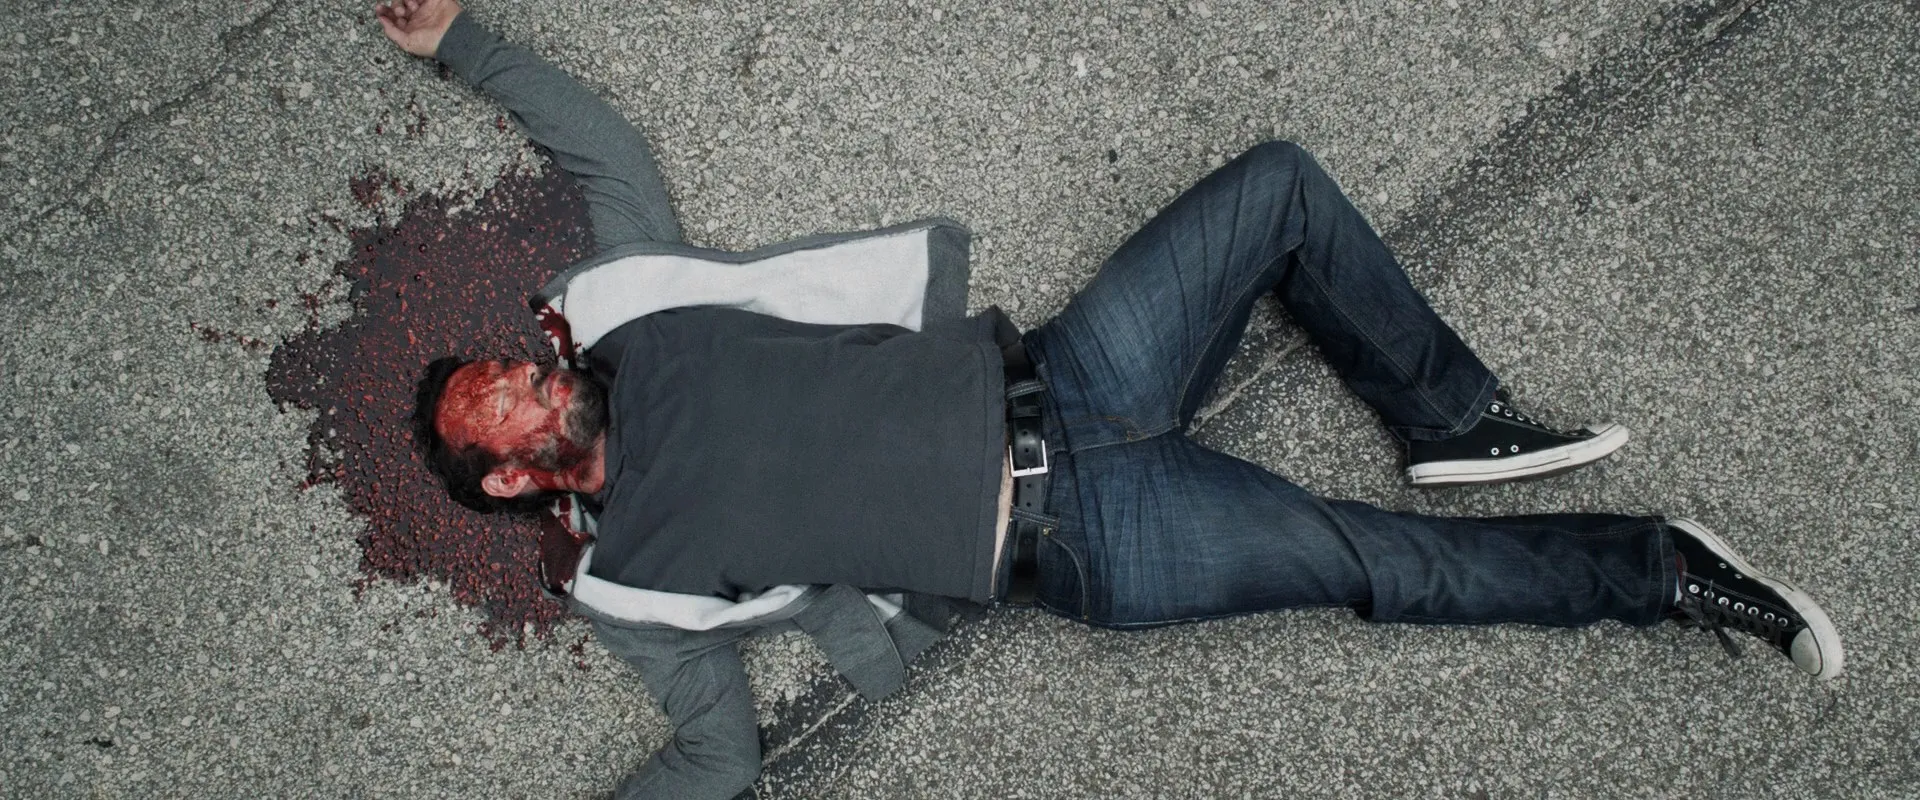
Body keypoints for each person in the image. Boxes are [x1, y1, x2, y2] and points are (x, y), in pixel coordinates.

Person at [376, 1, 1844, 797]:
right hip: (1090, 545)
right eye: (498, 408)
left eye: (511, 366)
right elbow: (717, 757)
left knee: (1277, 187)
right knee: (1385, 568)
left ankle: (1449, 419)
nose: (526, 382)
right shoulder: (625, 584)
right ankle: (1665, 571)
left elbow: (605, 153)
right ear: (506, 479)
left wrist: (466, 50)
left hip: (1072, 368)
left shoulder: (632, 319)